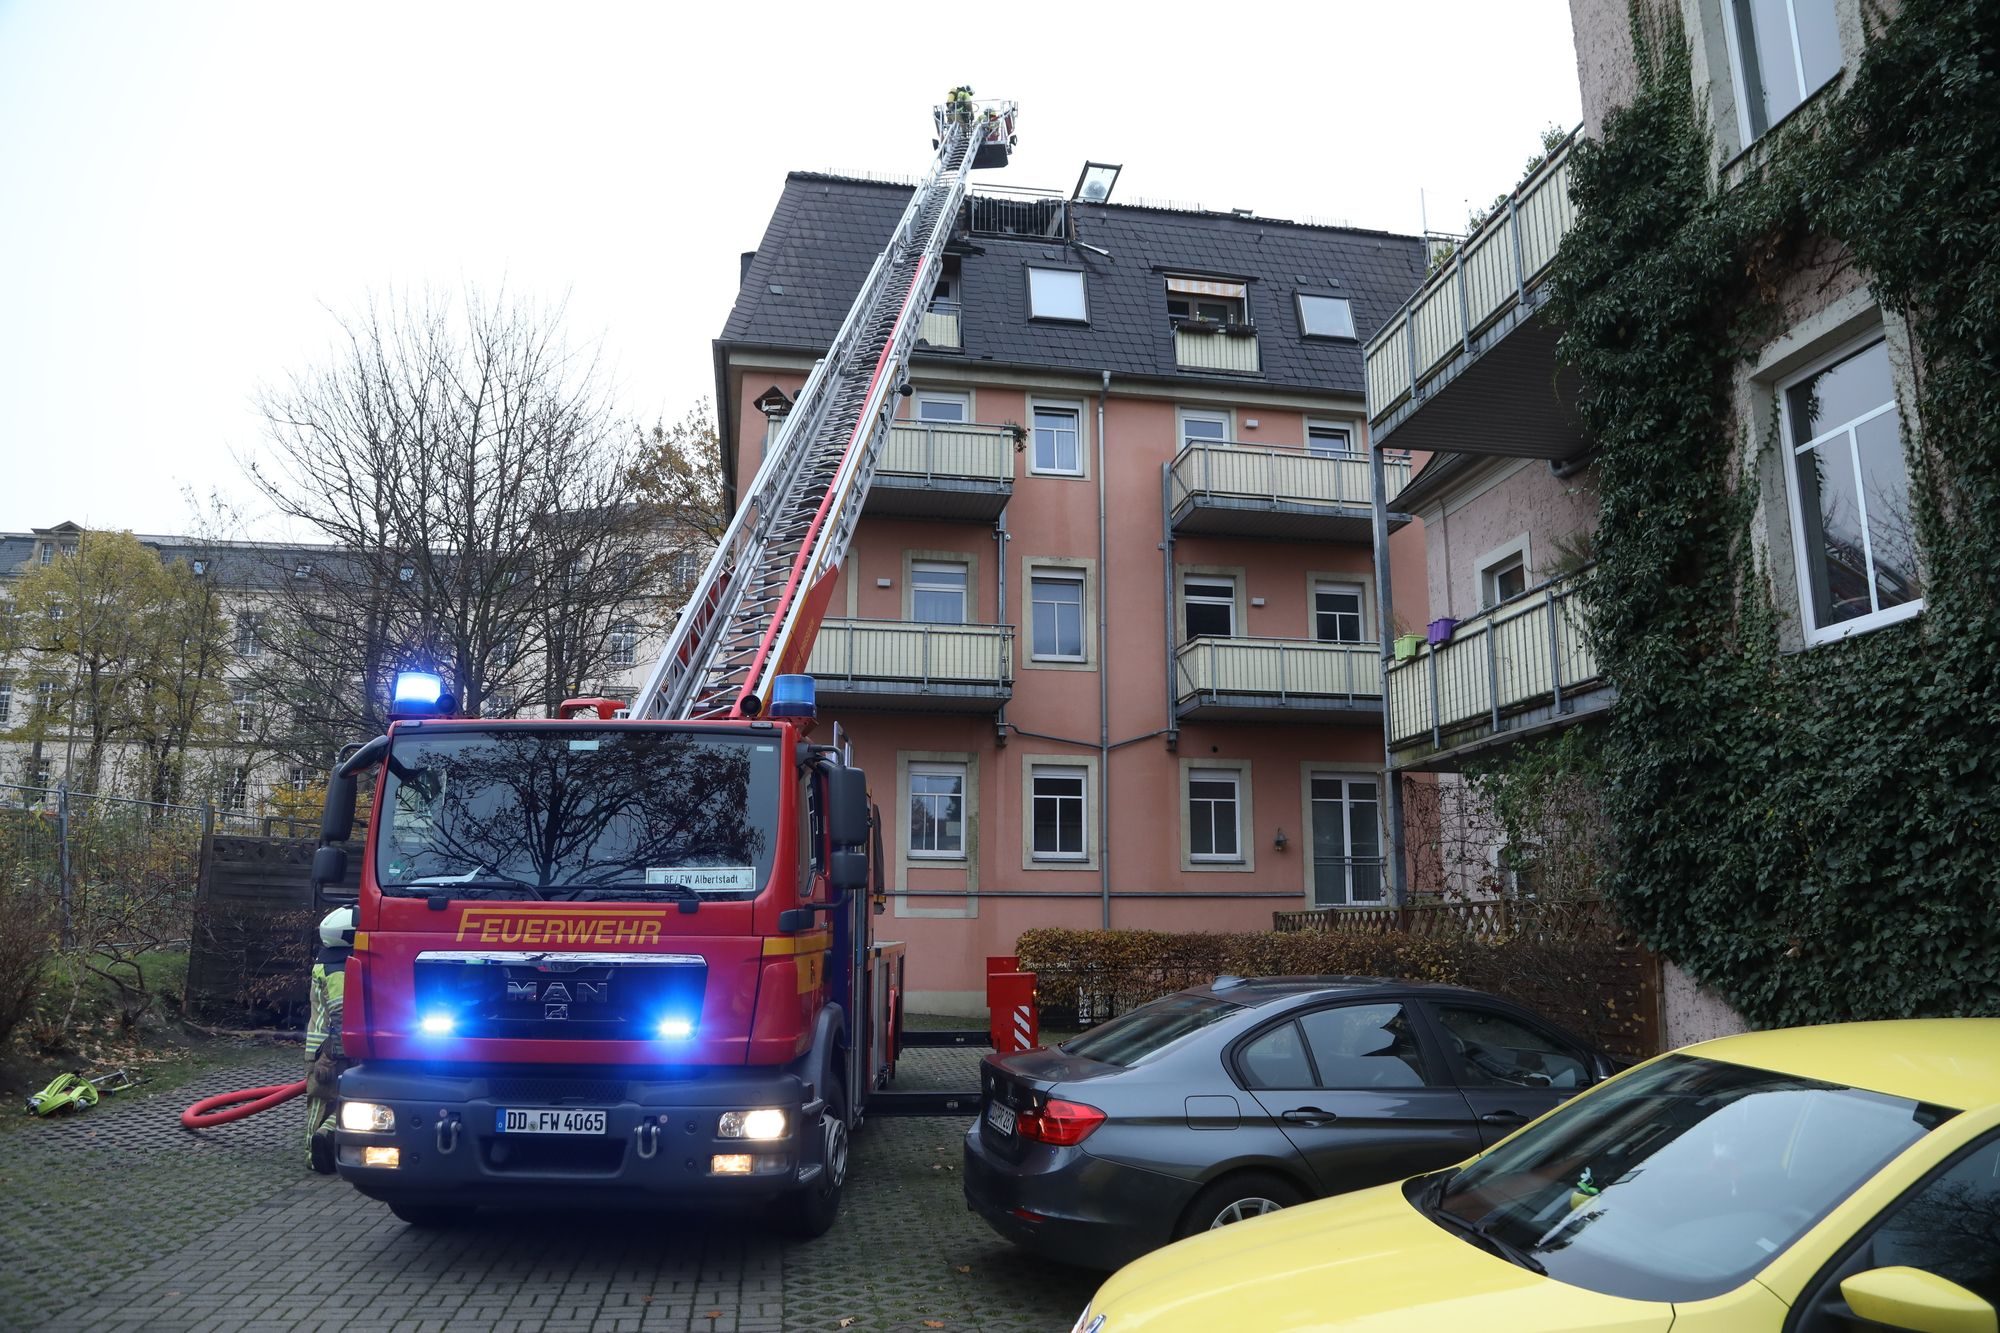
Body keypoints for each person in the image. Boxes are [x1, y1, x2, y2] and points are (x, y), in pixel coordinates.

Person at [305, 904, 355, 1173]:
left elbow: (340, 1014)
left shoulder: (330, 962)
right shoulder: (340, 966)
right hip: (333, 1048)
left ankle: (319, 1145)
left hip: (328, 1048)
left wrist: (329, 1054)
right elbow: (341, 1013)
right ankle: (320, 1149)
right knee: (334, 1099)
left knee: (325, 1101)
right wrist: (332, 1053)